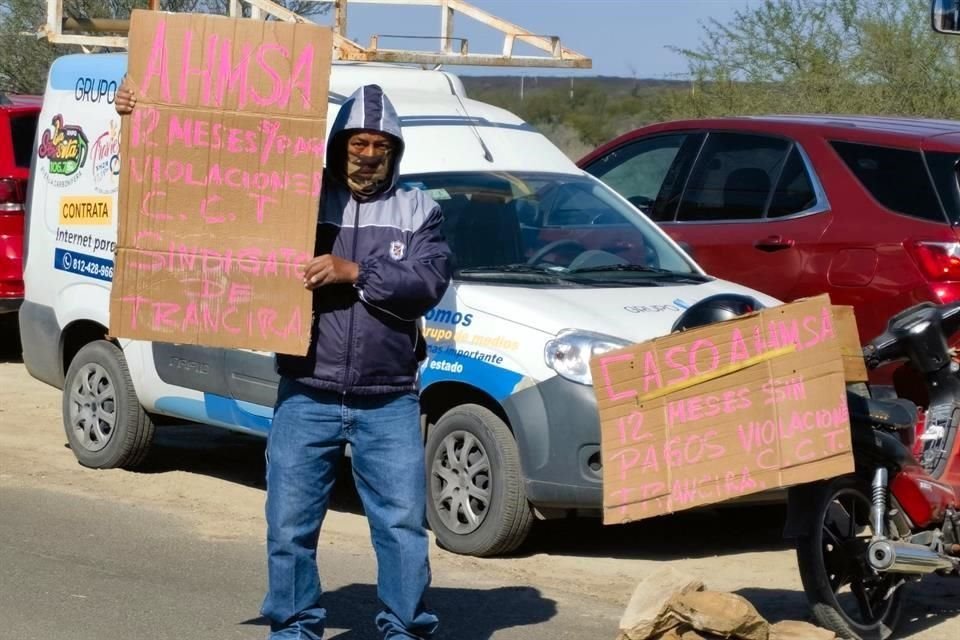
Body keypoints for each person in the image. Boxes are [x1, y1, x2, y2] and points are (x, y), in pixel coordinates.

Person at [115, 81, 453, 640]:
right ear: (337, 144)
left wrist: (356, 273)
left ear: (395, 149)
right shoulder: (293, 194)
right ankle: (295, 628)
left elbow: (428, 281)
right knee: (290, 527)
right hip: (306, 390)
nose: (368, 156)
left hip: (390, 398)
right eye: (357, 144)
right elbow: (200, 181)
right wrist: (143, 116)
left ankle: (407, 630)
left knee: (401, 528)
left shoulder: (420, 210)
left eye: (380, 146)